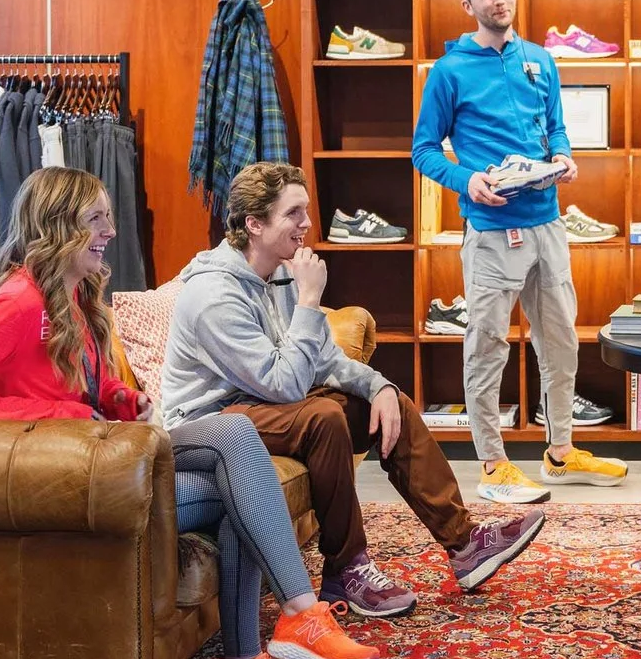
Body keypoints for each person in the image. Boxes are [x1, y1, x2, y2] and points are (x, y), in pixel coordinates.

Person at [0, 167, 374, 659]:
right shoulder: (17, 303)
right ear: (59, 227)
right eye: (96, 218)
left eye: (108, 216)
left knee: (239, 474)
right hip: (74, 477)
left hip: (108, 458)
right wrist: (62, 415)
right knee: (233, 434)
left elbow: (78, 382)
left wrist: (122, 398)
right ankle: (296, 619)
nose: (110, 230)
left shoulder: (70, 296)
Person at [164, 161, 547, 621]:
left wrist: (380, 386)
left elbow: (323, 359)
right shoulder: (212, 295)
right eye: (293, 213)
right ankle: (346, 569)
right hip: (210, 425)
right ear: (254, 224)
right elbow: (282, 384)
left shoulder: (280, 274)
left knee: (389, 404)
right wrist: (309, 300)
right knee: (321, 419)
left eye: (306, 211)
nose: (307, 224)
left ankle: (465, 545)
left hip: (263, 407)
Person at [410, 0, 627, 502]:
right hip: (489, 231)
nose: (498, 0)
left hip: (547, 224)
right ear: (468, 6)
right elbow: (422, 151)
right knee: (487, 347)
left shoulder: (540, 60)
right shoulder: (450, 71)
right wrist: (467, 180)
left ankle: (559, 451)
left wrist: (563, 156)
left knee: (561, 343)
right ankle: (491, 464)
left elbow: (554, 126)